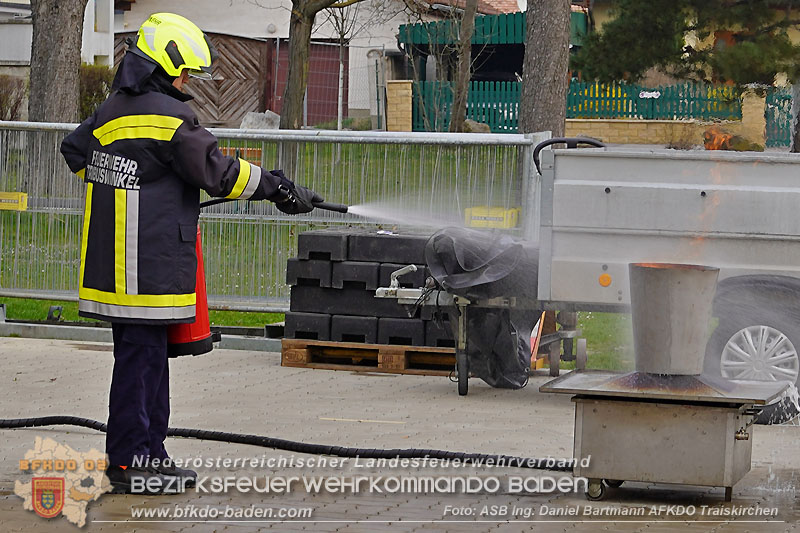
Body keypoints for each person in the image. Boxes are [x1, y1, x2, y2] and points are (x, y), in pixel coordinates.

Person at [60, 12, 322, 494]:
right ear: (163, 64)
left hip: (117, 265)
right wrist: (277, 188)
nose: (188, 82)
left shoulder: (113, 109)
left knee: (142, 364)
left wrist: (123, 186)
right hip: (148, 264)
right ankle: (131, 465)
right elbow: (218, 172)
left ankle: (147, 456)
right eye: (184, 72)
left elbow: (75, 151)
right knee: (142, 370)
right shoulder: (171, 117)